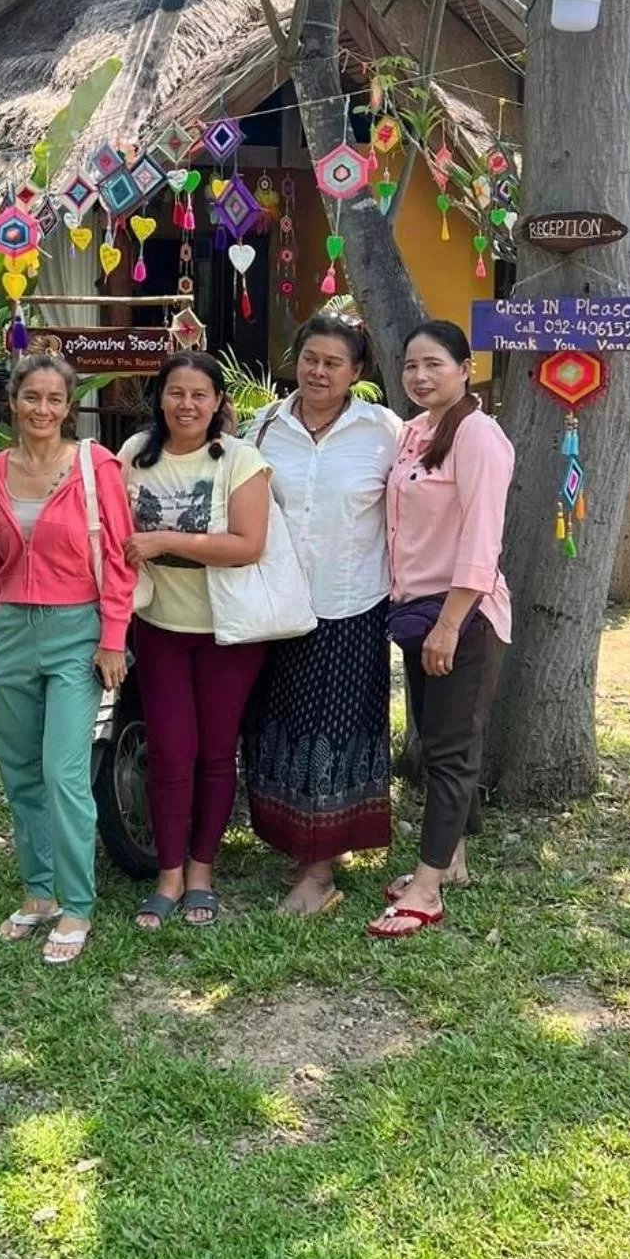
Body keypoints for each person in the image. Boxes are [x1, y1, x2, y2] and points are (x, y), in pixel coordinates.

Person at [0, 351, 135, 966]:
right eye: (31, 397)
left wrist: (113, 636)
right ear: (13, 402)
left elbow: (121, 558)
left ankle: (76, 903)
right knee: (18, 769)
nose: (42, 409)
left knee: (63, 770)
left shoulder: (96, 467)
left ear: (69, 407)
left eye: (54, 399)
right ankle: (38, 892)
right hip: (14, 629)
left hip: (78, 630)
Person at [242, 315, 401, 916]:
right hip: (277, 605)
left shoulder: (383, 432)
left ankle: (319, 870)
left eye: (334, 362)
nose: (318, 371)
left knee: (334, 732)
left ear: (356, 372)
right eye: (310, 357)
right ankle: (292, 841)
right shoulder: (264, 428)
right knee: (277, 724)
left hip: (352, 605)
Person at [370, 320, 514, 941]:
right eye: (410, 366)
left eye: (434, 364)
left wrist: (451, 624)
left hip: (463, 616)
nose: (420, 376)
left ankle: (426, 890)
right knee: (434, 739)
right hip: (415, 612)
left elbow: (483, 541)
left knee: (453, 749)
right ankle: (452, 860)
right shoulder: (414, 433)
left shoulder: (480, 436)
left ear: (464, 366)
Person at [118, 353, 270, 928]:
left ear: (217, 402)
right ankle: (168, 873)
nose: (187, 405)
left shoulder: (240, 460)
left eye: (199, 395)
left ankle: (202, 869)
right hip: (159, 627)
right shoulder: (135, 455)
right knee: (169, 751)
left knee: (214, 751)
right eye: (176, 393)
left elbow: (247, 544)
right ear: (159, 397)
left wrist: (160, 540)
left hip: (227, 631)